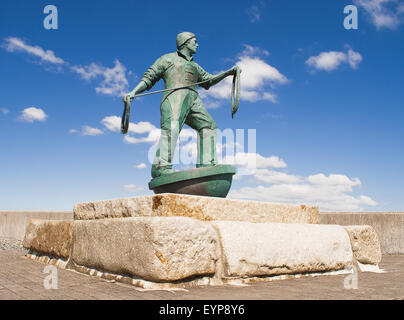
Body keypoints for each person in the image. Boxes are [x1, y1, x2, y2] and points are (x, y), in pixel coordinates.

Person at [123, 32, 240, 178]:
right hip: (174, 97)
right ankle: (161, 167)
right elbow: (149, 77)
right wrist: (133, 92)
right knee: (171, 129)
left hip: (193, 98)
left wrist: (229, 72)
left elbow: (208, 80)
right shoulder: (167, 59)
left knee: (209, 126)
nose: (197, 44)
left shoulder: (194, 65)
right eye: (194, 41)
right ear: (185, 43)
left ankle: (206, 164)